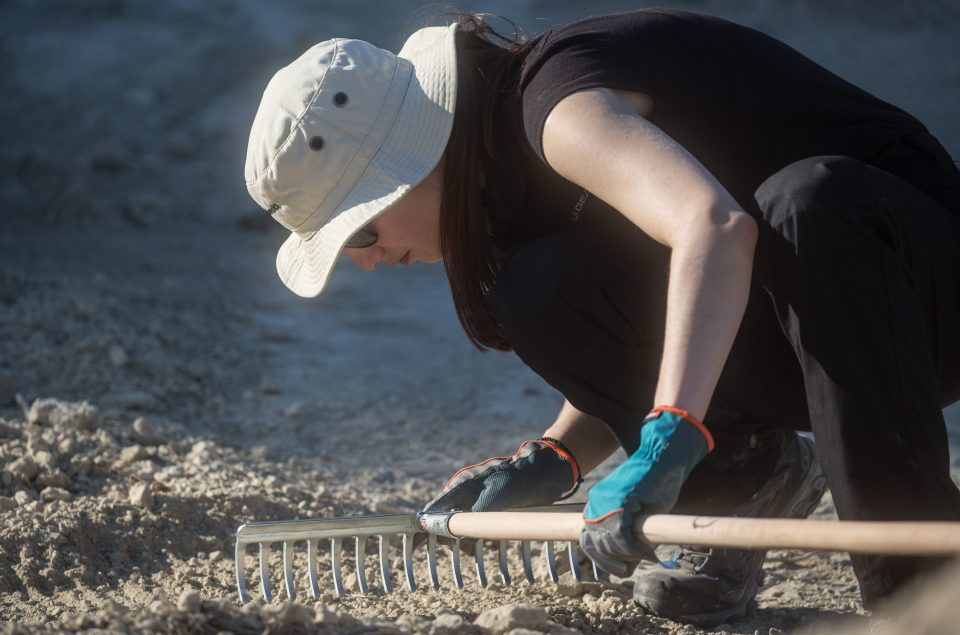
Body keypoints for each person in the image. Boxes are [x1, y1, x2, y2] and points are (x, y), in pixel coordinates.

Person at [244, 8, 960, 626]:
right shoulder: (499, 187)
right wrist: (557, 456)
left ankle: (924, 593)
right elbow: (650, 302)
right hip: (811, 323)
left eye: (359, 232)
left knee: (807, 203)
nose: (366, 260)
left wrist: (671, 431)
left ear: (410, 163)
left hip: (921, 296)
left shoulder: (557, 109)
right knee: (537, 286)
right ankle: (748, 475)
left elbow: (714, 227)